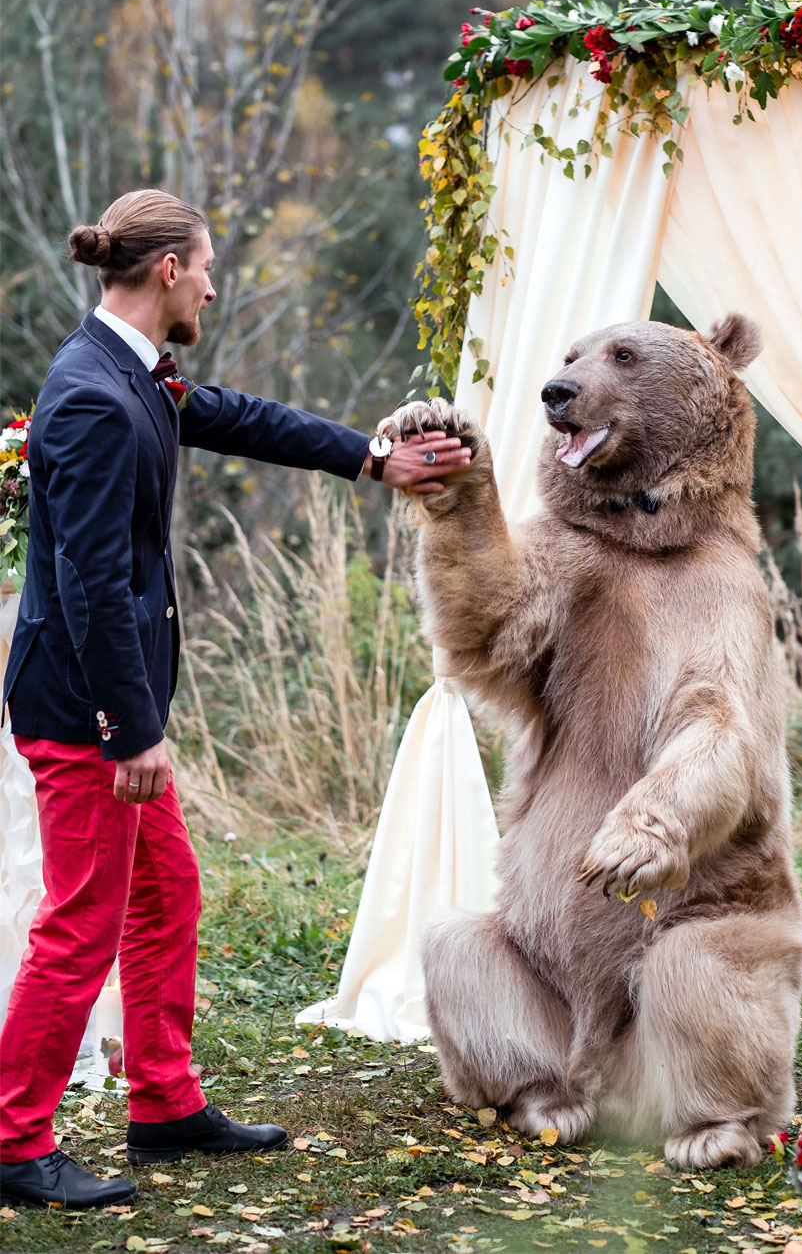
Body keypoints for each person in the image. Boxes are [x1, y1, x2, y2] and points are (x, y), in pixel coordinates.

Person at [0, 189, 469, 1210]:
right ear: (168, 271)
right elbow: (89, 584)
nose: (214, 283)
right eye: (207, 266)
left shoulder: (135, 376)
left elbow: (237, 418)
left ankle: (164, 1104)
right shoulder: (90, 396)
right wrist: (131, 730)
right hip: (85, 710)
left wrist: (376, 458)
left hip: (109, 709)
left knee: (165, 892)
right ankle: (14, 1139)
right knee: (82, 921)